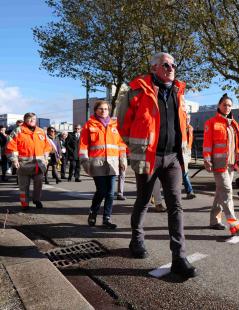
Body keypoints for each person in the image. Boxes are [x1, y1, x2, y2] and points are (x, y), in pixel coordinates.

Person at [117, 52, 196, 278]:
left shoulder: (179, 91)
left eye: (173, 64)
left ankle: (179, 258)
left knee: (176, 205)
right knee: (143, 200)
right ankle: (137, 240)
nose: (171, 68)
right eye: (165, 64)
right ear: (153, 68)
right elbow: (122, 125)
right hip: (148, 158)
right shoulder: (135, 91)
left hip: (173, 158)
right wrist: (136, 150)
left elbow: (182, 125)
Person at [203, 94, 239, 235]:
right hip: (219, 164)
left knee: (220, 193)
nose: (227, 107)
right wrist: (207, 159)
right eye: (224, 105)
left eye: (229, 105)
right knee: (227, 191)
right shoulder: (211, 122)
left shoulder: (234, 123)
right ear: (219, 106)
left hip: (230, 164)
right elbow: (207, 144)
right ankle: (234, 224)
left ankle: (214, 221)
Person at [79, 100, 127, 229]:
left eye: (106, 109)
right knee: (101, 191)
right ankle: (93, 212)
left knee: (111, 193)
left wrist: (123, 159)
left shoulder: (115, 125)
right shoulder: (89, 125)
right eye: (101, 108)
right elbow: (83, 145)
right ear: (95, 110)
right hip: (97, 163)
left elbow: (121, 144)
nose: (104, 111)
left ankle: (106, 219)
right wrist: (85, 161)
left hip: (112, 163)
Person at [6, 113, 52, 209]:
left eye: (34, 119)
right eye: (29, 119)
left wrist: (46, 157)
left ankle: (37, 200)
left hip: (39, 164)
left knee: (38, 184)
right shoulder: (18, 131)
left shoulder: (40, 131)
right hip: (24, 164)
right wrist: (14, 160)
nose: (32, 120)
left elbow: (47, 146)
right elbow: (11, 146)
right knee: (24, 186)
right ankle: (24, 204)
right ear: (25, 120)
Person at [182, 113, 196, 199]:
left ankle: (154, 193)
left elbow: (189, 143)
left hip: (186, 153)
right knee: (184, 173)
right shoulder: (180, 128)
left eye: (189, 119)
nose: (187, 120)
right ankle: (190, 191)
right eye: (186, 118)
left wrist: (189, 155)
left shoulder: (190, 128)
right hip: (180, 153)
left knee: (183, 173)